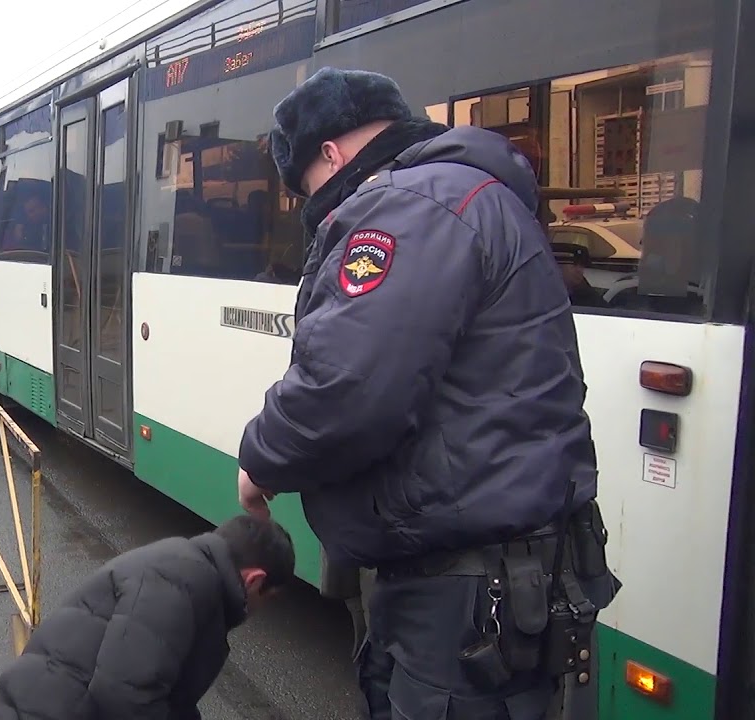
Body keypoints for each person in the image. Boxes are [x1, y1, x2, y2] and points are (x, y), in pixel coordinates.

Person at [236, 68, 620, 719]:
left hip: (464, 598)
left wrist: (260, 461)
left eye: (305, 187)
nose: (315, 206)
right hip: (496, 582)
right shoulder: (470, 194)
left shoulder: (411, 206)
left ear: (330, 154)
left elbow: (346, 389)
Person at [0, 515, 295, 719]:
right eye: (269, 599)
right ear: (254, 580)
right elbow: (125, 694)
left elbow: (167, 695)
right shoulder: (184, 578)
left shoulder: (188, 568)